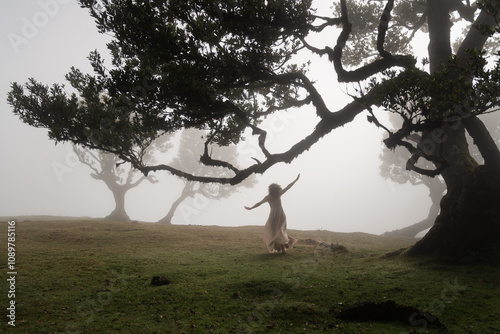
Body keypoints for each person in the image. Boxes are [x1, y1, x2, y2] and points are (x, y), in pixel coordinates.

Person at [245, 174, 300, 253]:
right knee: (279, 231)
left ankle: (282, 248)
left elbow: (259, 203)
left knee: (275, 232)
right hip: (280, 214)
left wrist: (251, 208)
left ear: (270, 190)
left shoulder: (268, 197)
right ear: (277, 189)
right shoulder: (278, 194)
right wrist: (296, 180)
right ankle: (282, 248)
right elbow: (288, 187)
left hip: (273, 216)